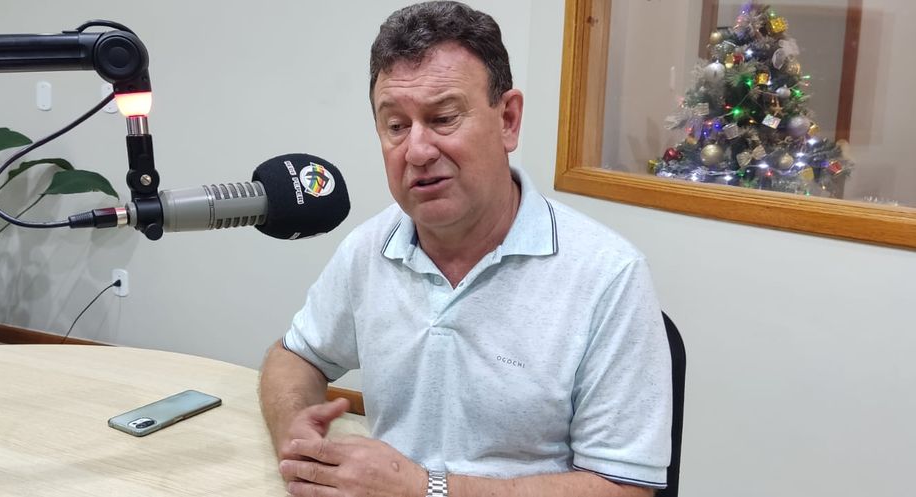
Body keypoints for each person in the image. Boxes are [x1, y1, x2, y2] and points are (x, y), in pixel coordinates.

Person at [258, 2, 672, 496]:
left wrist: (425, 489)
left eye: (444, 118)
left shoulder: (608, 274)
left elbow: (624, 489)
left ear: (508, 120)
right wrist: (295, 430)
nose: (417, 150)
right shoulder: (370, 248)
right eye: (396, 126)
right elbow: (295, 356)